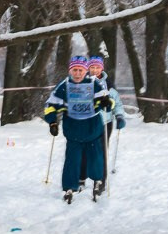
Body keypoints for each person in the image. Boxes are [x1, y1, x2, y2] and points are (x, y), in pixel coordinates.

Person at [43, 54, 121, 203]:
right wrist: (52, 122)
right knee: (72, 160)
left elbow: (108, 101)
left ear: (86, 71)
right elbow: (51, 106)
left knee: (96, 158)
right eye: (75, 70)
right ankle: (69, 187)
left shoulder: (93, 83)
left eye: (81, 70)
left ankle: (98, 180)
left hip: (92, 129)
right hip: (73, 130)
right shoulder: (64, 85)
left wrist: (106, 103)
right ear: (70, 70)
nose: (78, 73)